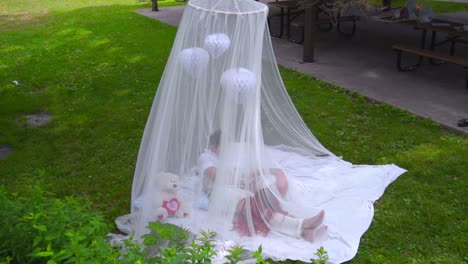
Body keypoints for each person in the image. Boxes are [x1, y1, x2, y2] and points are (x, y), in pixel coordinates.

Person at [197, 130, 327, 242]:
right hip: (216, 195)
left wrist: (251, 177)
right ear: (214, 147)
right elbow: (216, 175)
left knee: (261, 206)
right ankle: (303, 224)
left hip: (233, 191)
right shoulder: (206, 157)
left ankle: (304, 230)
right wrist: (243, 182)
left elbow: (239, 173)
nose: (226, 149)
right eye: (222, 146)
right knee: (256, 208)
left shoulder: (226, 157)